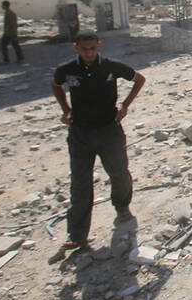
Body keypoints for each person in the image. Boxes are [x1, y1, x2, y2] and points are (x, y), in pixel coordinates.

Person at [51, 31, 145, 249]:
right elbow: (56, 84)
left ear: (98, 46)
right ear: (76, 48)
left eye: (92, 48)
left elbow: (139, 79)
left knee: (119, 173)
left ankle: (122, 207)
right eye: (84, 49)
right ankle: (77, 235)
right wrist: (65, 109)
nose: (89, 53)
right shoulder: (67, 70)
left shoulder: (110, 66)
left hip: (109, 129)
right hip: (80, 133)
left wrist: (125, 105)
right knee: (80, 184)